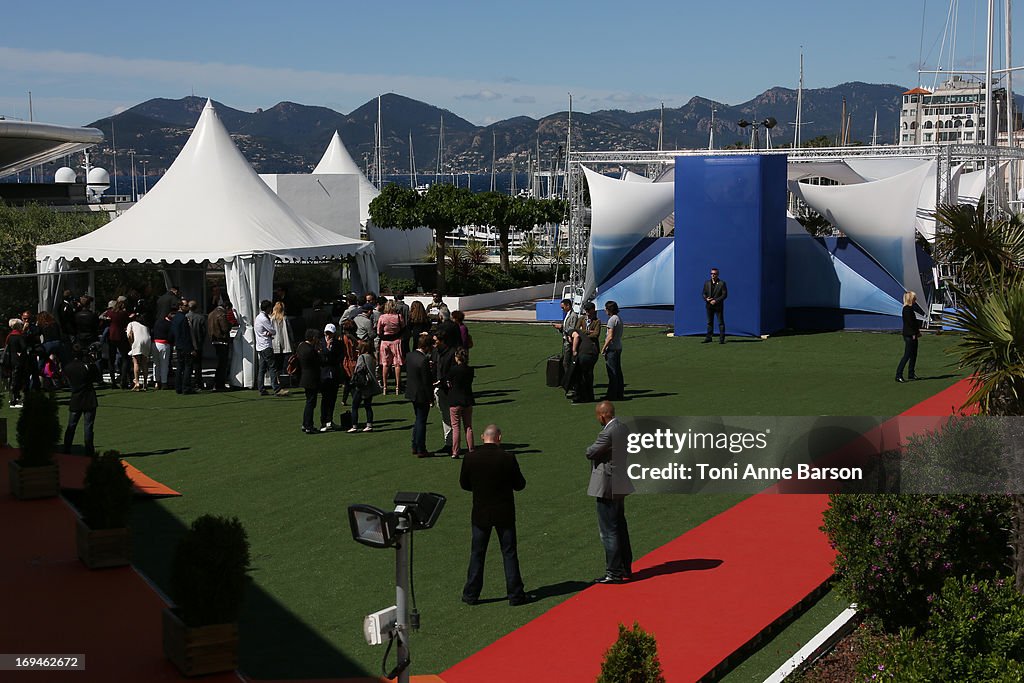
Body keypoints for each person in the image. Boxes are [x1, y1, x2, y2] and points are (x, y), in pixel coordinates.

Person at [459, 424, 529, 607]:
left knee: (477, 554)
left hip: (481, 512)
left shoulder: (470, 458)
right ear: (499, 437)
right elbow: (520, 484)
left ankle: (471, 594)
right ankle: (515, 594)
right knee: (509, 553)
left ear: (483, 437)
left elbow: (464, 484)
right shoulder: (507, 458)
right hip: (504, 512)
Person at [585, 401, 634, 584]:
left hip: (607, 485)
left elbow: (591, 452)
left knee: (609, 531)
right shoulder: (623, 428)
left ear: (603, 415)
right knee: (620, 526)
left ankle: (613, 572)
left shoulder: (607, 432)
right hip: (620, 482)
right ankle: (625, 567)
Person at [63, 344, 101, 456]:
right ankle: (89, 450)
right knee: (88, 426)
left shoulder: (68, 367)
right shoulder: (88, 366)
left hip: (76, 398)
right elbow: (97, 378)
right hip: (89, 398)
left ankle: (67, 449)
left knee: (71, 426)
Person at [405, 333, 434, 457]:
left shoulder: (410, 356)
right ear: (426, 346)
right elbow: (427, 382)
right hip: (421, 394)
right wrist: (431, 398)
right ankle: (421, 448)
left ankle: (415, 445)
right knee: (421, 421)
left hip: (412, 391)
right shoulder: (423, 360)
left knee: (418, 420)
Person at [571, 302, 602, 403]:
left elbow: (596, 334)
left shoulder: (597, 321)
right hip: (583, 349)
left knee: (588, 373)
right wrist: (589, 332)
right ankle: (585, 394)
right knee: (584, 374)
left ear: (593, 309)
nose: (587, 312)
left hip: (591, 350)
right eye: (586, 310)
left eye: (589, 310)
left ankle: (588, 395)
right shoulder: (581, 319)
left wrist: (582, 332)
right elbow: (576, 330)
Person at [448, 348, 475, 458]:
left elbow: (448, 381)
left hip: (455, 400)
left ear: (457, 358)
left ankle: (455, 451)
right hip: (467, 400)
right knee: (468, 426)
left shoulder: (453, 370)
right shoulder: (470, 370)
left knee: (456, 427)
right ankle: (471, 448)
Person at [431, 332, 456, 453]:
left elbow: (451, 372)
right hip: (439, 388)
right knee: (445, 416)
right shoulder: (436, 352)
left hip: (449, 389)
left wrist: (441, 381)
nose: (434, 343)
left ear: (442, 340)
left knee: (452, 418)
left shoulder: (452, 353)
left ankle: (453, 444)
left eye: (435, 340)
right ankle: (449, 443)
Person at [348, 339, 378, 432]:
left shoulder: (362, 357)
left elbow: (358, 370)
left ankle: (354, 425)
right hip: (370, 385)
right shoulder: (372, 357)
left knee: (354, 406)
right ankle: (369, 424)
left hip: (361, 386)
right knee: (368, 406)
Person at [254, 299, 283, 396]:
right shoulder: (264, 318)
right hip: (266, 346)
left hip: (260, 346)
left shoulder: (258, 317)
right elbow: (273, 330)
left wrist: (267, 333)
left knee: (262, 369)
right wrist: (269, 333)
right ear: (267, 308)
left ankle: (261, 388)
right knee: (272, 367)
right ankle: (276, 388)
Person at [318, 323, 344, 431]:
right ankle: (323, 422)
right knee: (325, 399)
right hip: (323, 374)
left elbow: (339, 357)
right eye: (327, 333)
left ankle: (330, 420)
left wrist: (329, 354)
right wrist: (327, 350)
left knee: (332, 399)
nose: (328, 335)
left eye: (330, 333)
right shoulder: (320, 343)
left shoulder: (338, 344)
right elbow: (321, 359)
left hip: (334, 373)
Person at [296, 328, 321, 434]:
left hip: (304, 377)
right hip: (311, 378)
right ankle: (308, 425)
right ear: (313, 338)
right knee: (311, 403)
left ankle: (306, 423)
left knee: (309, 402)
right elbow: (318, 362)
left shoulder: (301, 346)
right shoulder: (310, 350)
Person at [377, 300, 405, 395]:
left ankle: (385, 387)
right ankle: (398, 386)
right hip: (396, 341)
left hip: (385, 341)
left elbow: (378, 331)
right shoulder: (398, 317)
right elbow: (403, 327)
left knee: (385, 364)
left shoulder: (382, 317)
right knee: (397, 364)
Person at [896, 291, 922, 383]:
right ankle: (898, 374)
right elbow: (910, 323)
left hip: (912, 333)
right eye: (914, 298)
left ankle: (911, 373)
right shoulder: (907, 309)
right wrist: (914, 333)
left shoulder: (910, 308)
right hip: (909, 335)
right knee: (907, 355)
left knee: (913, 355)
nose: (916, 299)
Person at [5, 319, 32, 407]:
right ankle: (15, 400)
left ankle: (13, 398)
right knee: (21, 379)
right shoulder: (19, 336)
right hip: (19, 360)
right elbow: (24, 347)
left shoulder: (9, 336)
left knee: (14, 379)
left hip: (11, 359)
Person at [601, 301, 625, 401]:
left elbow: (610, 336)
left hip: (612, 348)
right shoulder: (618, 318)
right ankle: (619, 393)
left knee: (612, 372)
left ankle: (612, 394)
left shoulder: (611, 320)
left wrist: (603, 348)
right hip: (618, 347)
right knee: (618, 371)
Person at [170, 302, 195, 394]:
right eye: (186, 306)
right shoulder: (183, 319)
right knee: (187, 367)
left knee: (180, 367)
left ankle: (178, 387)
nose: (188, 307)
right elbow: (186, 335)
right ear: (180, 307)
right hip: (185, 346)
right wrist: (191, 348)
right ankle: (186, 387)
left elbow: (173, 333)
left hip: (178, 345)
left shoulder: (175, 318)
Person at [207, 299, 232, 391]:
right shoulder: (222, 314)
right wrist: (230, 325)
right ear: (227, 307)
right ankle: (219, 384)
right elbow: (225, 328)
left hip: (214, 340)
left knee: (219, 363)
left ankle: (217, 383)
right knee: (222, 364)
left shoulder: (211, 313)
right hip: (222, 341)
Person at [270, 301, 293, 390]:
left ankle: (278, 380)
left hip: (275, 344)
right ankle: (284, 380)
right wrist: (292, 341)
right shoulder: (285, 318)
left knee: (276, 364)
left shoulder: (271, 319)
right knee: (285, 363)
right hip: (285, 344)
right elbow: (290, 331)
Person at [702, 267, 728, 344]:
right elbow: (703, 293)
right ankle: (709, 338)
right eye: (711, 274)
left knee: (720, 322)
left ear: (717, 274)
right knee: (709, 322)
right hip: (709, 305)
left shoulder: (722, 283)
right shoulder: (707, 283)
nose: (713, 275)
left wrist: (715, 301)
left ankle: (721, 339)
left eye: (714, 274)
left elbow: (724, 295)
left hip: (718, 306)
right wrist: (706, 299)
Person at [186, 300, 208, 391]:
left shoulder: (185, 317)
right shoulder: (201, 318)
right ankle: (198, 383)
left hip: (187, 344)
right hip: (198, 344)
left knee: (188, 365)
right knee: (197, 365)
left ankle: (188, 382)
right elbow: (204, 332)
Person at [126, 316, 152, 391]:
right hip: (147, 341)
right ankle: (145, 383)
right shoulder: (145, 326)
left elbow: (129, 335)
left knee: (136, 362)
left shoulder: (131, 324)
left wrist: (131, 344)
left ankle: (137, 382)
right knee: (144, 363)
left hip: (138, 342)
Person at [151, 309, 174, 390]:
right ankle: (164, 383)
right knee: (164, 364)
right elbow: (171, 336)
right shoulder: (170, 324)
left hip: (155, 343)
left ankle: (156, 382)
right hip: (164, 344)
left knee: (156, 364)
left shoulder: (157, 322)